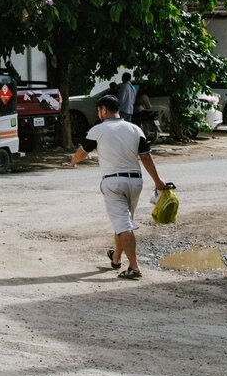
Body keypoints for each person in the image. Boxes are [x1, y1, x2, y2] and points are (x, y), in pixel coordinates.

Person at [69, 94, 171, 280]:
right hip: (135, 182)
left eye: (99, 110)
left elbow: (82, 152)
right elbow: (146, 157)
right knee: (123, 222)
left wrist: (74, 161)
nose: (99, 113)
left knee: (123, 224)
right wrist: (158, 182)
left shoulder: (98, 130)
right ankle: (116, 258)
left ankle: (134, 267)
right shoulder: (135, 129)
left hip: (113, 183)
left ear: (104, 110)